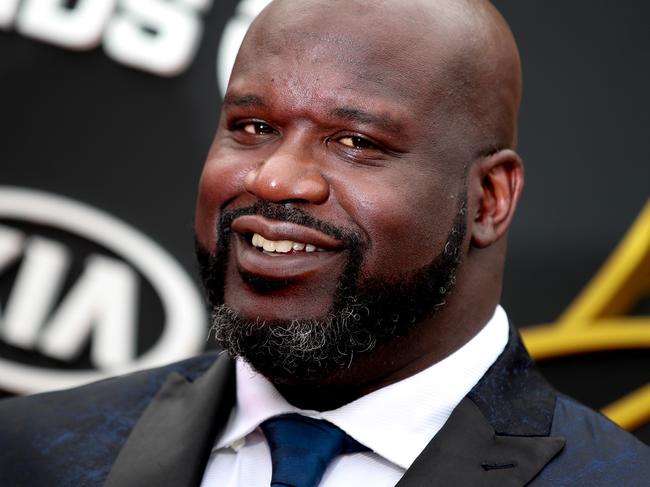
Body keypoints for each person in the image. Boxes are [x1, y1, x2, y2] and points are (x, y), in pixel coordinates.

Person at [1, 0, 648, 486]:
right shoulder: (33, 451)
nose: (274, 176)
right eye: (252, 126)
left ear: (490, 198)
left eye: (355, 142)